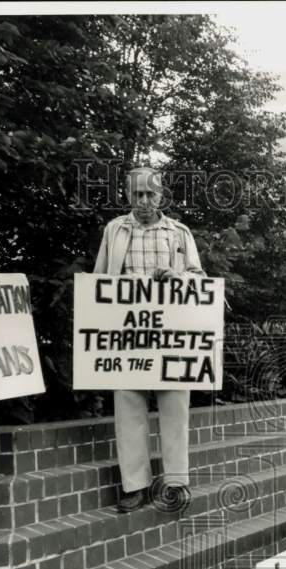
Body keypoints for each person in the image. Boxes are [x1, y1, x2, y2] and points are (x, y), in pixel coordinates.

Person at [93, 167, 204, 512]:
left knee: (174, 409)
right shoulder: (115, 230)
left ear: (161, 195)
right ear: (128, 194)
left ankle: (176, 483)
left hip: (171, 333)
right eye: (137, 194)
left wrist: (179, 276)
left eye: (150, 194)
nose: (143, 201)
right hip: (127, 335)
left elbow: (200, 279)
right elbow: (99, 282)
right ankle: (135, 486)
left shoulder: (179, 233)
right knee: (129, 409)